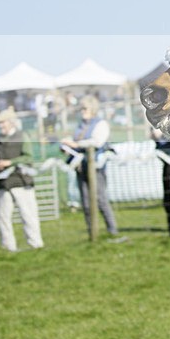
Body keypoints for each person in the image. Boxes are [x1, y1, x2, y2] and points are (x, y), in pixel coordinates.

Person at [62, 95, 122, 239]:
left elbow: (97, 142)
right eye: (81, 108)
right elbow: (76, 141)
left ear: (93, 109)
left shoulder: (101, 124)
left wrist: (76, 145)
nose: (82, 111)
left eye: (85, 108)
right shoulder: (81, 125)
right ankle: (92, 232)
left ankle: (112, 230)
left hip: (96, 167)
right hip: (81, 167)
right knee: (86, 201)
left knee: (100, 199)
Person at [0, 108, 44, 252]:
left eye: (3, 122)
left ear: (11, 122)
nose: (1, 126)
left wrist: (10, 162)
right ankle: (7, 247)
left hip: (21, 181)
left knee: (28, 215)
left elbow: (29, 157)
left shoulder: (22, 136)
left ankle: (35, 244)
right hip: (3, 183)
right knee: (3, 217)